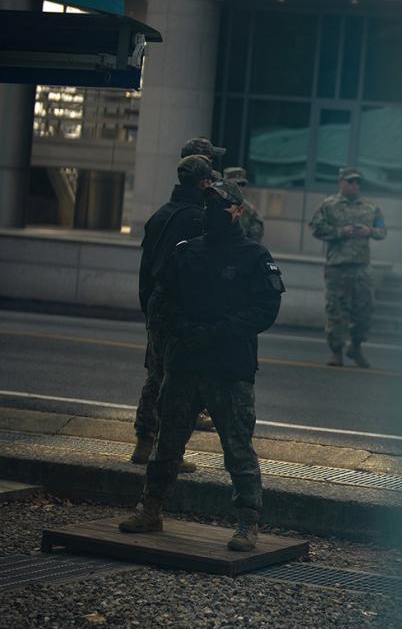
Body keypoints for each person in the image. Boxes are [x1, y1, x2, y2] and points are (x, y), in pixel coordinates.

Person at [120, 179, 284, 551]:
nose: (212, 211)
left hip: (228, 366)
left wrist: (217, 332)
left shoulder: (255, 257)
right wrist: (183, 331)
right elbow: (163, 300)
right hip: (185, 363)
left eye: (221, 205)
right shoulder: (186, 251)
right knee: (167, 445)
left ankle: (248, 522)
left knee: (237, 448)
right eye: (207, 204)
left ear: (238, 210)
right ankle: (151, 510)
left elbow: (265, 310)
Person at [132, 153, 220, 471]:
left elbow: (145, 270)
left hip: (156, 303)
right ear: (203, 182)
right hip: (180, 308)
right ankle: (168, 454)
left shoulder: (161, 215)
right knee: (179, 380)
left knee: (154, 376)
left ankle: (143, 441)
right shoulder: (198, 218)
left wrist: (148, 307)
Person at [307, 165, 386, 368]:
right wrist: (342, 231)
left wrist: (370, 232)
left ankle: (356, 346)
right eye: (350, 181)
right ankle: (336, 352)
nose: (354, 185)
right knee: (336, 311)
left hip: (362, 266)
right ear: (341, 182)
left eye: (358, 181)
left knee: (365, 310)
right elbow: (316, 228)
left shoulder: (370, 207)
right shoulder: (328, 205)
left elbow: (382, 229)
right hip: (337, 266)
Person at [222, 167, 265, 243]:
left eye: (242, 184)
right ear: (226, 184)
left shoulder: (249, 209)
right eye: (235, 184)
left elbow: (256, 232)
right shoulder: (215, 203)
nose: (239, 187)